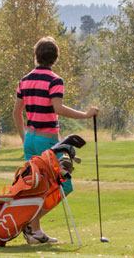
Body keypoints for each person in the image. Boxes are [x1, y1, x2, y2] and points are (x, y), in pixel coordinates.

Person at [10, 36, 100, 245]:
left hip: (30, 139)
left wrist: (25, 137)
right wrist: (86, 115)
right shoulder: (55, 80)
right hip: (47, 141)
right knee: (64, 186)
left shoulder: (24, 80)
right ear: (55, 58)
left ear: (36, 56)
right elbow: (58, 108)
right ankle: (31, 223)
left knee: (35, 186)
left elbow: (17, 112)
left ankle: (36, 233)